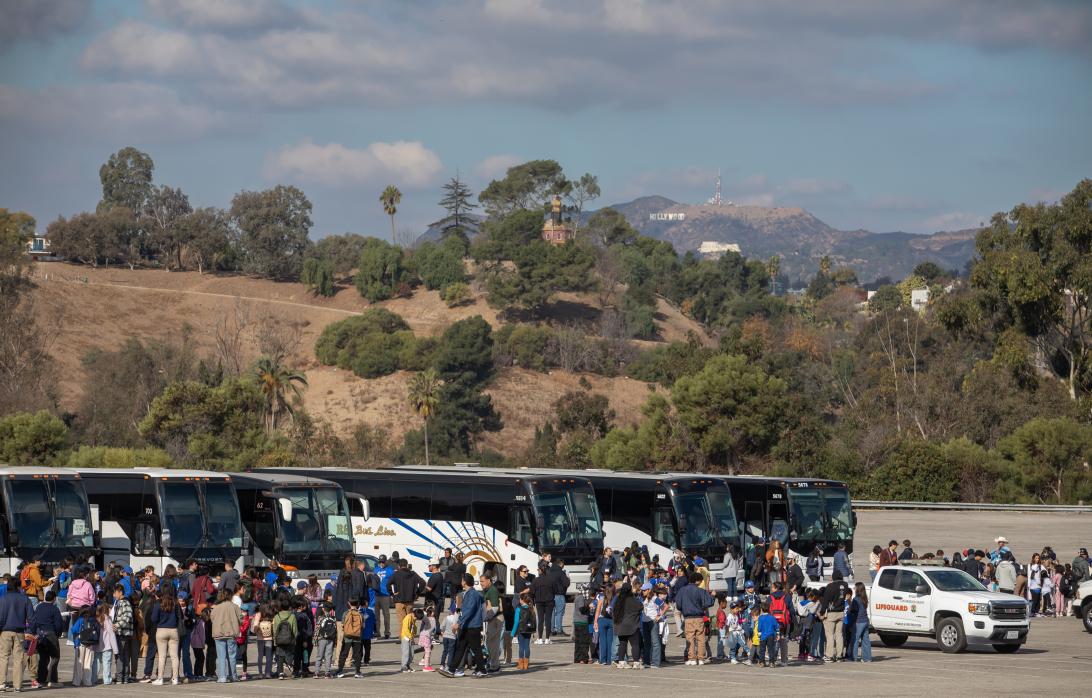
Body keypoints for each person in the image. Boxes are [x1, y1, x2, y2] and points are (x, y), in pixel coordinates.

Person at [438, 573, 486, 678]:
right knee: (461, 648)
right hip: (469, 625)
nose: (461, 582)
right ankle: (451, 670)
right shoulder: (471, 594)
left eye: (462, 580)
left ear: (465, 582)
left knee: (475, 649)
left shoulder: (472, 594)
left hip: (472, 626)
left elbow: (469, 610)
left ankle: (482, 670)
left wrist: (459, 623)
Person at [676, 571, 714, 666]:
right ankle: (701, 658)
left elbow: (678, 605)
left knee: (690, 638)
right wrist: (712, 595)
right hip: (699, 618)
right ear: (697, 581)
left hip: (688, 618)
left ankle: (692, 658)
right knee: (701, 638)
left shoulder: (682, 590)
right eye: (700, 581)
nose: (701, 583)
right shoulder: (701, 591)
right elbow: (709, 602)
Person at [31, 590, 63, 688]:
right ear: (54, 599)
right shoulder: (54, 609)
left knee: (43, 658)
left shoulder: (39, 607)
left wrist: (34, 632)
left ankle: (41, 679)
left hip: (40, 634)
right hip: (50, 634)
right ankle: (52, 679)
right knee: (55, 657)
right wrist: (57, 634)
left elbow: (34, 620)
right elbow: (58, 624)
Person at [150, 590, 182, 685]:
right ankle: (175, 678)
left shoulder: (158, 604)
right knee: (174, 656)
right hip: (173, 630)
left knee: (162, 656)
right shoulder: (175, 604)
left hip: (161, 630)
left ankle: (160, 678)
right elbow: (180, 617)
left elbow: (153, 619)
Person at [211, 589, 242, 683]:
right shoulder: (235, 607)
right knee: (232, 656)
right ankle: (233, 676)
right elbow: (241, 619)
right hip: (231, 633)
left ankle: (222, 677)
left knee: (221, 656)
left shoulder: (216, 607)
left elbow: (212, 618)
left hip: (218, 633)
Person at [820, 571, 849, 663]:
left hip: (832, 612)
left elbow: (826, 600)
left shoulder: (830, 586)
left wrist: (822, 611)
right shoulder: (845, 585)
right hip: (841, 612)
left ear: (833, 577)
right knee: (839, 634)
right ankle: (839, 655)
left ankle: (829, 655)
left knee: (830, 635)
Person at [613, 582, 643, 669]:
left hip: (620, 626)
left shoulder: (618, 600)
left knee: (622, 643)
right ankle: (636, 663)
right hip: (632, 625)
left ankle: (621, 662)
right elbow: (641, 607)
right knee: (635, 644)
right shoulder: (633, 599)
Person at [336, 596, 365, 678]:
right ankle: (357, 672)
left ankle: (340, 671)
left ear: (349, 603)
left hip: (347, 637)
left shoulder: (345, 613)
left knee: (343, 654)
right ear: (358, 604)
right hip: (357, 637)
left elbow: (342, 625)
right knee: (357, 655)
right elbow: (362, 626)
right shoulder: (360, 614)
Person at [480, 574, 504, 673]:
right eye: (480, 581)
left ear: (489, 581)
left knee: (493, 644)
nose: (481, 583)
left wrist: (485, 618)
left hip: (495, 619)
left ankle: (495, 666)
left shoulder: (493, 590)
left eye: (482, 581)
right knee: (489, 644)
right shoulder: (487, 590)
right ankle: (493, 664)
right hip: (492, 619)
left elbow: (495, 607)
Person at [71, 606, 98, 686]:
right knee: (88, 662)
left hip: (80, 643)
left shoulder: (80, 620)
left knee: (79, 663)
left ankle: (77, 681)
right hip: (90, 644)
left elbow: (73, 630)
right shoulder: (93, 620)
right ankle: (87, 681)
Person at [272, 599, 298, 680]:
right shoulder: (292, 616)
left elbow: (275, 629)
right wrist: (294, 639)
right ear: (289, 607)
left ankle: (280, 673)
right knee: (290, 654)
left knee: (280, 656)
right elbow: (295, 630)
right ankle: (288, 665)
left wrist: (275, 640)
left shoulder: (277, 616)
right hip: (290, 640)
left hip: (279, 640)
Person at [593, 582, 615, 666]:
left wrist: (595, 621)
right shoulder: (614, 599)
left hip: (602, 620)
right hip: (611, 620)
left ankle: (603, 660)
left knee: (602, 640)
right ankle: (609, 660)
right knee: (610, 641)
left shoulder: (602, 598)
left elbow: (598, 610)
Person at [530, 568, 554, 645]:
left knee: (540, 619)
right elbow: (555, 590)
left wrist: (532, 601)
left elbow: (532, 592)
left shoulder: (535, 580)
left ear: (540, 571)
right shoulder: (551, 580)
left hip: (539, 602)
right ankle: (547, 639)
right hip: (549, 601)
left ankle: (540, 638)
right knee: (548, 619)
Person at [512, 592, 534, 670]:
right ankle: (526, 664)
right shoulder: (531, 608)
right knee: (527, 646)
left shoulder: (518, 608)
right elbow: (534, 620)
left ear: (522, 600)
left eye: (520, 599)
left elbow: (516, 621)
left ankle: (521, 664)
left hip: (520, 630)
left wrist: (513, 633)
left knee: (521, 647)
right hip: (528, 630)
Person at [373, 556, 394, 639]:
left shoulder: (390, 570)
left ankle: (387, 632)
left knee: (386, 615)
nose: (381, 564)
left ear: (386, 562)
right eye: (380, 562)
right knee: (376, 615)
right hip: (376, 595)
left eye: (383, 562)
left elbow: (393, 581)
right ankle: (377, 632)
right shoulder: (376, 569)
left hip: (385, 595)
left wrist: (392, 594)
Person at [850, 582, 871, 662]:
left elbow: (853, 611)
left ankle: (853, 657)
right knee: (866, 640)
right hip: (865, 620)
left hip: (858, 621)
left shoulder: (856, 599)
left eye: (855, 588)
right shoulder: (864, 598)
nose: (854, 589)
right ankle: (867, 658)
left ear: (858, 589)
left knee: (855, 639)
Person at [756, 602, 779, 668]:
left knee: (762, 650)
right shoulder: (772, 617)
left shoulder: (760, 617)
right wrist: (777, 634)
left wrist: (759, 635)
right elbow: (776, 626)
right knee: (771, 649)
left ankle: (762, 662)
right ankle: (771, 662)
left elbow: (759, 628)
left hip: (763, 636)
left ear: (762, 610)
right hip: (771, 635)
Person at [551, 560, 569, 636]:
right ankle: (559, 630)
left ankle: (552, 630)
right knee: (559, 613)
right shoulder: (561, 572)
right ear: (561, 564)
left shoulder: (549, 571)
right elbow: (566, 583)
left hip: (551, 595)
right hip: (559, 594)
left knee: (552, 613)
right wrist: (568, 579)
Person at [439, 605, 459, 671]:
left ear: (451, 611)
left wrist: (443, 633)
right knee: (451, 652)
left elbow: (442, 627)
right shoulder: (457, 619)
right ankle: (448, 666)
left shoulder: (446, 617)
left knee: (445, 650)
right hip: (452, 637)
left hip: (445, 636)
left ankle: (442, 665)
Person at [399, 608, 418, 673]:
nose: (416, 619)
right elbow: (405, 629)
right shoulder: (407, 618)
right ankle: (403, 666)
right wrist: (410, 637)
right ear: (414, 614)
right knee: (406, 652)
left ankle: (408, 665)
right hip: (405, 638)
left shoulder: (413, 618)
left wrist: (414, 633)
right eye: (416, 618)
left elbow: (414, 627)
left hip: (410, 637)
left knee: (411, 652)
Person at [418, 604, 436, 672]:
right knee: (428, 651)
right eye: (433, 612)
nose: (434, 613)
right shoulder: (430, 619)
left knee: (427, 651)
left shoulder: (428, 618)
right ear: (431, 613)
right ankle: (426, 666)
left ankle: (426, 664)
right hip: (426, 636)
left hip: (424, 635)